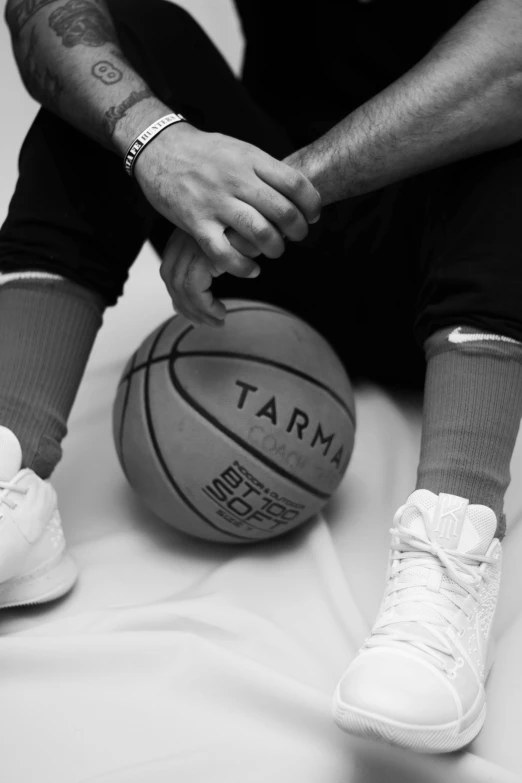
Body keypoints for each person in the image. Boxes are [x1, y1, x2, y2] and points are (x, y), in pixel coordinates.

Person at [1, 0, 522, 755]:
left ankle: (451, 555)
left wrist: (271, 197)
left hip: (457, 254)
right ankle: (11, 469)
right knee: (111, 66)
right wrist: (161, 146)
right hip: (271, 261)